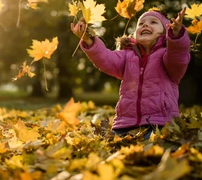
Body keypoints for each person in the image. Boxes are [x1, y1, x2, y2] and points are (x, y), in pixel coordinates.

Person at [71, 8, 191, 139]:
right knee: (115, 147)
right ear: (135, 33)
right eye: (141, 23)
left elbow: (178, 55)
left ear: (165, 33)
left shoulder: (167, 57)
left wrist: (177, 36)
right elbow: (106, 59)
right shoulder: (127, 55)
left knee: (151, 147)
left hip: (160, 123)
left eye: (153, 22)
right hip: (125, 124)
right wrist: (88, 40)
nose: (145, 25)